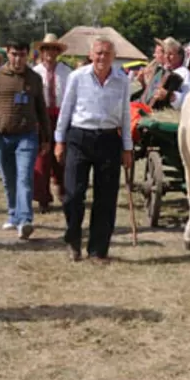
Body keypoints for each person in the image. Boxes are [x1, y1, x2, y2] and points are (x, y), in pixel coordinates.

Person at [55, 37, 132, 262]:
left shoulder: (122, 80)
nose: (102, 58)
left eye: (107, 54)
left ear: (113, 57)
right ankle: (73, 241)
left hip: (109, 139)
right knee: (72, 195)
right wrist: (59, 140)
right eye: (98, 53)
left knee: (106, 198)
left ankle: (98, 249)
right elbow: (66, 109)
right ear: (90, 55)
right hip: (79, 136)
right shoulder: (77, 77)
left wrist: (127, 147)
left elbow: (126, 116)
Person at [0, 40, 50, 239]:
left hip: (27, 136)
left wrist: (46, 137)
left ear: (28, 54)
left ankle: (25, 220)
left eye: (21, 54)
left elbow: (41, 110)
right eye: (14, 54)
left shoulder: (34, 79)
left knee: (24, 178)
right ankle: (13, 213)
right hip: (1, 135)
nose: (18, 59)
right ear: (7, 53)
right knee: (9, 178)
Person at [32, 33, 72, 212]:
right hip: (41, 117)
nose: (50, 52)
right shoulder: (34, 72)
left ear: (58, 52)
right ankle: (42, 197)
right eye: (47, 49)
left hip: (62, 116)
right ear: (42, 51)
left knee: (62, 155)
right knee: (42, 156)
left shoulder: (67, 72)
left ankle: (63, 190)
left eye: (54, 49)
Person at [141, 37, 190, 110]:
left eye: (171, 54)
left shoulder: (184, 73)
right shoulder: (161, 71)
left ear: (180, 56)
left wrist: (170, 96)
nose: (167, 57)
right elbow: (148, 96)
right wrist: (143, 81)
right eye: (165, 53)